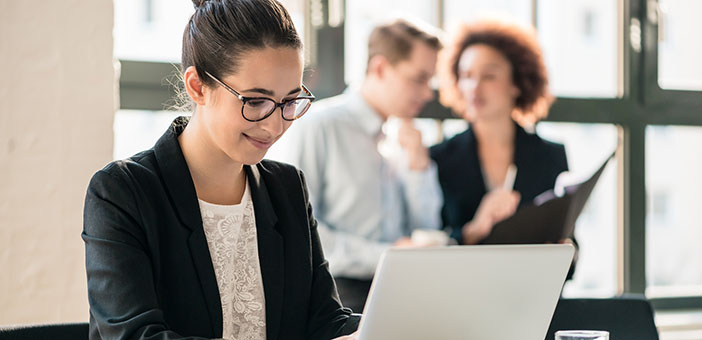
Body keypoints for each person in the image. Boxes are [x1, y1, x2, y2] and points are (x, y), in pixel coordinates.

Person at [82, 0, 358, 339]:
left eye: (289, 101)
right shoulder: (121, 192)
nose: (274, 126)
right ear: (198, 86)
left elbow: (325, 320)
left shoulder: (286, 187)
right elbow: (136, 336)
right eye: (255, 101)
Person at [277, 19, 443, 313]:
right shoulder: (319, 127)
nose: (429, 93)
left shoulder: (402, 135)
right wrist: (388, 255)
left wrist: (419, 167)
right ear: (380, 69)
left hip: (402, 288)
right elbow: (300, 233)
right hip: (339, 296)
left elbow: (426, 228)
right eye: (419, 78)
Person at [430, 20, 572, 248]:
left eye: (489, 76)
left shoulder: (550, 156)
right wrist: (473, 230)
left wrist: (564, 249)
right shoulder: (438, 158)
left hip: (530, 282)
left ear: (517, 83)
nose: (474, 87)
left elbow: (569, 248)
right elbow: (430, 245)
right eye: (466, 75)